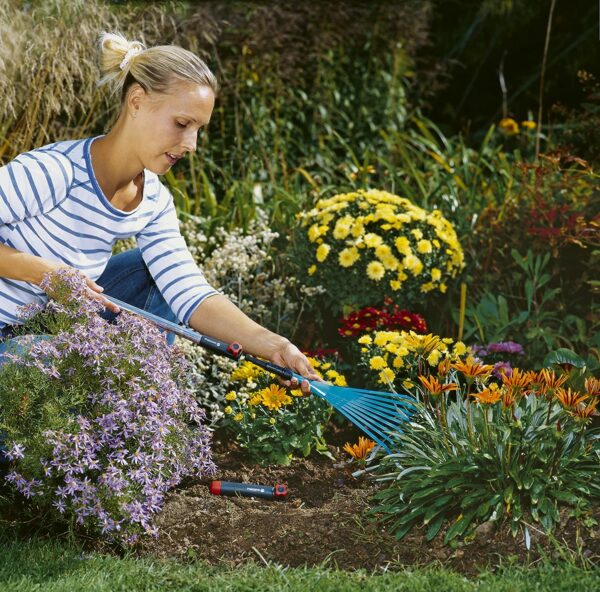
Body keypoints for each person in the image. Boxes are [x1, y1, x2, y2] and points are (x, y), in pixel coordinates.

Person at [0, 31, 318, 393]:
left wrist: (275, 346)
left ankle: (127, 402)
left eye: (199, 129)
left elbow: (188, 291)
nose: (192, 145)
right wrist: (45, 272)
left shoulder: (153, 202)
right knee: (48, 369)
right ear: (136, 101)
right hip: (12, 337)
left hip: (46, 328)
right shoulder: (54, 172)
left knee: (152, 273)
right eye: (182, 124)